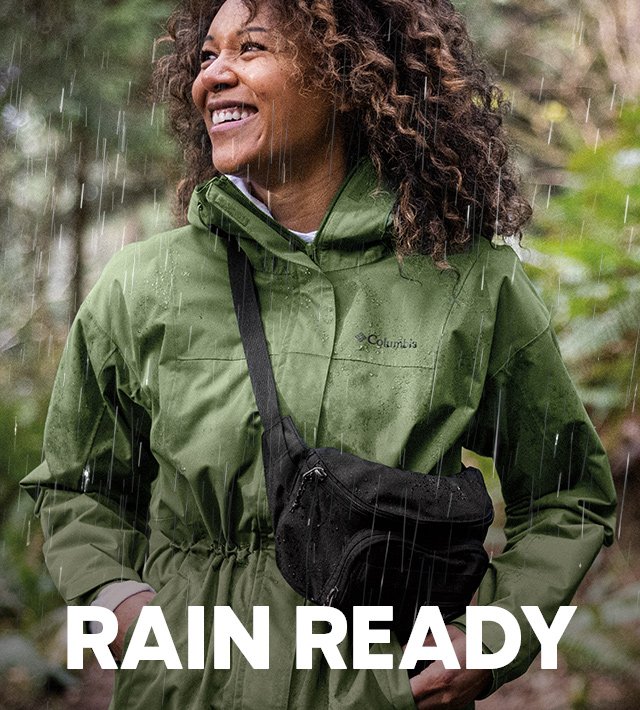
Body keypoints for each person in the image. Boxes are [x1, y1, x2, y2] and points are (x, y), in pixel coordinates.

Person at [22, 0, 617, 708]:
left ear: (347, 74)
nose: (214, 76)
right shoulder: (143, 285)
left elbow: (567, 492)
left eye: (251, 48)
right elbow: (77, 484)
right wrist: (121, 603)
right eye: (208, 55)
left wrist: (494, 635)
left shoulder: (468, 282)